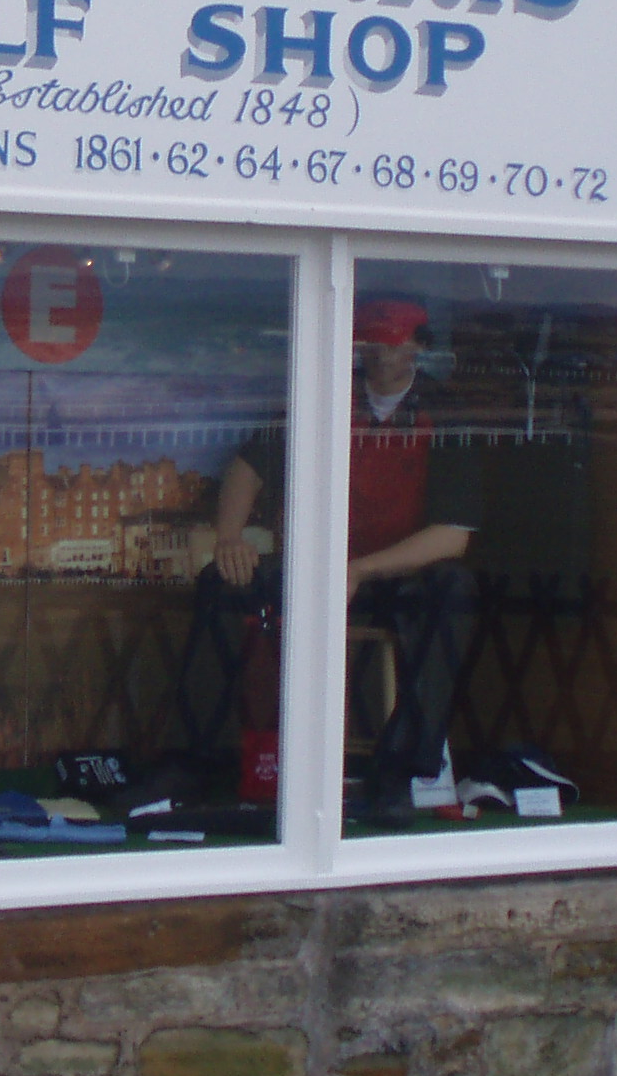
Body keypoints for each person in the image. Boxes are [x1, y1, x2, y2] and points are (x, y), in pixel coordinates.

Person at [196, 293, 483, 808]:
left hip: (396, 575)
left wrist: (358, 570)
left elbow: (452, 535)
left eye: (394, 343)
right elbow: (248, 466)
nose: (382, 354)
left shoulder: (447, 412)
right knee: (220, 583)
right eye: (371, 342)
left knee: (455, 589)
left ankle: (399, 771)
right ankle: (208, 758)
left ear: (419, 347)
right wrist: (230, 538)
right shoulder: (325, 393)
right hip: (317, 568)